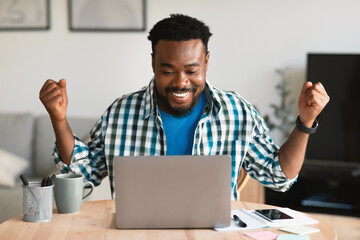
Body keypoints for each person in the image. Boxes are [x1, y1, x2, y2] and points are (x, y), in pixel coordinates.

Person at [39, 14, 329, 200]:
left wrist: (305, 123)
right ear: (152, 62)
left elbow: (278, 177)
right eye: (167, 71)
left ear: (206, 61)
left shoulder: (237, 112)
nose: (181, 82)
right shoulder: (120, 113)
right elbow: (83, 176)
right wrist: (59, 119)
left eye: (191, 70)